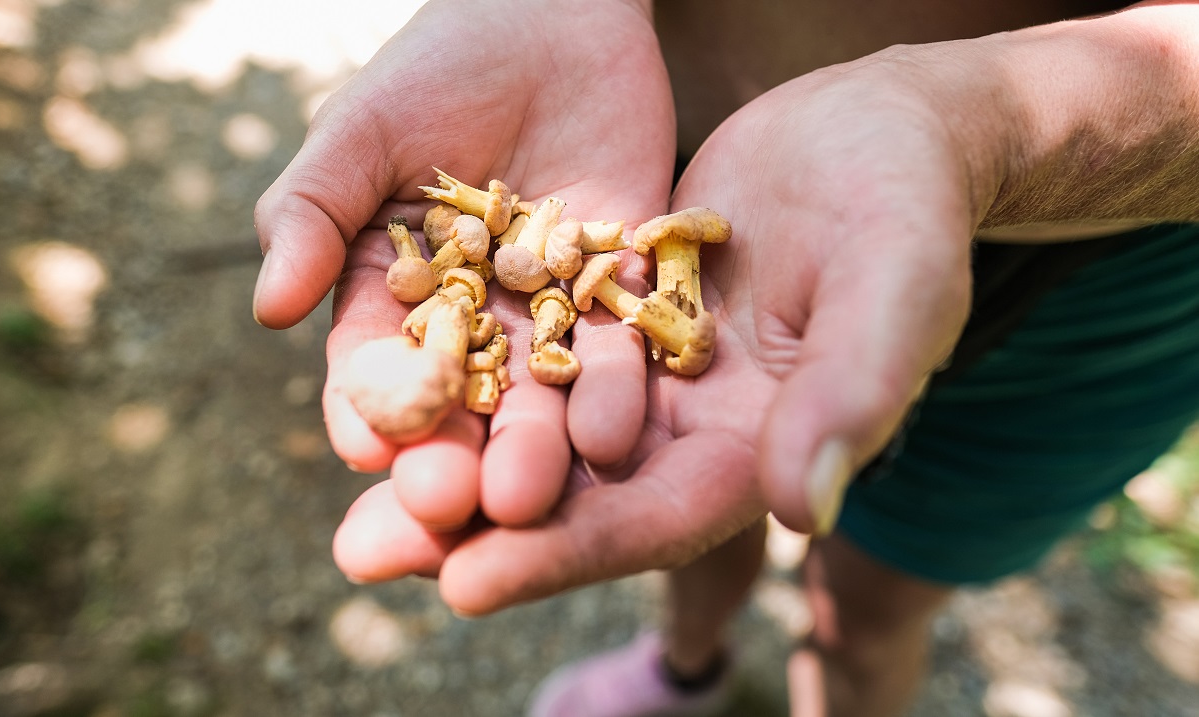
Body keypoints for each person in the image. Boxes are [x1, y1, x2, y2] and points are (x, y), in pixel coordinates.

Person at [251, 1, 1199, 714]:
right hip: (665, 135)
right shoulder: (609, 257)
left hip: (1111, 260)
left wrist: (985, 123)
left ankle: (844, 670)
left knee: (872, 602)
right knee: (683, 468)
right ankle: (687, 662)